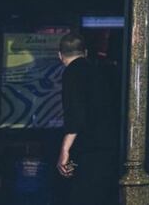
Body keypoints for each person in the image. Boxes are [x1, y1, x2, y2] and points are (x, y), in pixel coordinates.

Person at [56, 34, 119, 205]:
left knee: (82, 195)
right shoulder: (100, 71)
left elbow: (75, 115)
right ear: (85, 52)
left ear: (60, 55)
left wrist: (64, 150)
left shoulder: (71, 73)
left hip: (89, 147)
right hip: (109, 144)